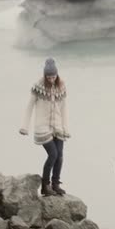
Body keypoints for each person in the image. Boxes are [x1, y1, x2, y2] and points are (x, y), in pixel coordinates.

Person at [19, 58, 71, 196]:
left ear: (57, 75)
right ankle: (45, 185)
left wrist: (66, 128)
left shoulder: (61, 86)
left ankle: (55, 184)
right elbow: (29, 107)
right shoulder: (38, 87)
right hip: (42, 127)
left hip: (58, 127)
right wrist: (25, 126)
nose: (51, 79)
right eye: (49, 77)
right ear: (45, 75)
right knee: (52, 154)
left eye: (53, 76)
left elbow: (64, 108)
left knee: (60, 156)